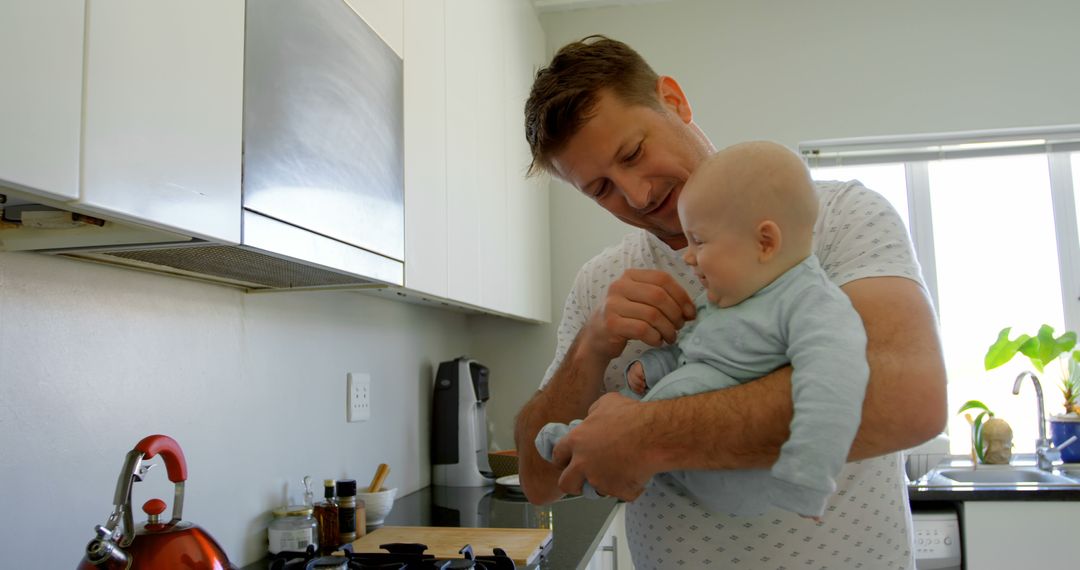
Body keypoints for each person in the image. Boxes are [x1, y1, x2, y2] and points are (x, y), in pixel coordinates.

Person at [515, 35, 947, 569]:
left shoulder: (832, 217)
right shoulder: (598, 282)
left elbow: (910, 397)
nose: (636, 194)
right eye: (600, 188)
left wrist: (647, 436)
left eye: (633, 153)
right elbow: (538, 483)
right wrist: (589, 349)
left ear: (673, 100)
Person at [535, 141, 870, 521]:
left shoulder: (809, 300)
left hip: (739, 480)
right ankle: (581, 442)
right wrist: (657, 366)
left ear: (765, 242)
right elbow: (693, 353)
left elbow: (835, 383)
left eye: (699, 241)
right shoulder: (727, 297)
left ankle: (593, 456)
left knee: (642, 417)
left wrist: (807, 478)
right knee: (630, 407)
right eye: (600, 189)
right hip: (685, 466)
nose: (689, 256)